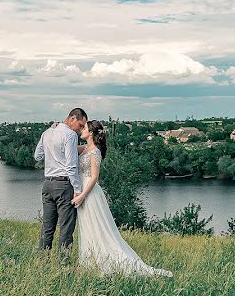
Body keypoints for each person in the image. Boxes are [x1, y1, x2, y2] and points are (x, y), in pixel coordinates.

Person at [72, 120, 172, 277]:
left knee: (97, 227)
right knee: (87, 227)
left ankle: (107, 261)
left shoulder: (95, 152)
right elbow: (68, 146)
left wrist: (82, 195)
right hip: (81, 191)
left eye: (84, 128)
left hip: (90, 194)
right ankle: (89, 262)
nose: (81, 130)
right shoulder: (85, 149)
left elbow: (94, 178)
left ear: (91, 133)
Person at [34, 107, 87, 251]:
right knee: (66, 227)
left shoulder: (47, 132)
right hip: (64, 185)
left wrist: (53, 155)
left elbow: (37, 156)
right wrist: (77, 190)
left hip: (47, 184)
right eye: (80, 125)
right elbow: (71, 166)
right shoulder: (70, 135)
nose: (80, 129)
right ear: (72, 119)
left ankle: (42, 260)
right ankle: (63, 263)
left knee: (47, 226)